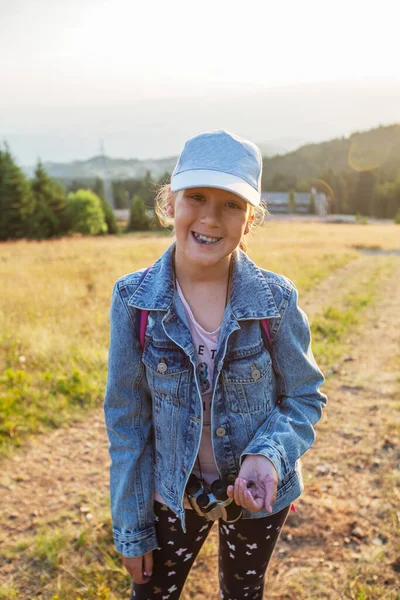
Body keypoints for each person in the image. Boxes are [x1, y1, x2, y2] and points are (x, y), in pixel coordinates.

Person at [104, 130, 327, 600]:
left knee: (243, 593)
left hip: (256, 499)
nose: (210, 217)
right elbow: (127, 423)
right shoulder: (133, 301)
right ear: (170, 204)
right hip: (171, 497)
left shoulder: (276, 301)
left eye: (231, 205)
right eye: (197, 197)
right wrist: (131, 527)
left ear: (250, 222)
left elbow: (304, 397)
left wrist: (267, 454)